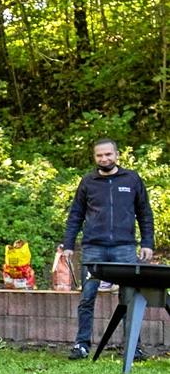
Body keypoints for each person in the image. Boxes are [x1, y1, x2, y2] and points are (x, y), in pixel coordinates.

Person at [61, 138, 155, 360]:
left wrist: (148, 243)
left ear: (117, 155)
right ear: (95, 157)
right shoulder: (87, 182)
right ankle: (82, 345)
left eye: (108, 154)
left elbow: (145, 213)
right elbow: (76, 214)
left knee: (129, 297)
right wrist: (68, 245)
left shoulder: (132, 179)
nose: (104, 159)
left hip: (125, 248)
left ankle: (134, 348)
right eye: (99, 155)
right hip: (94, 248)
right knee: (87, 297)